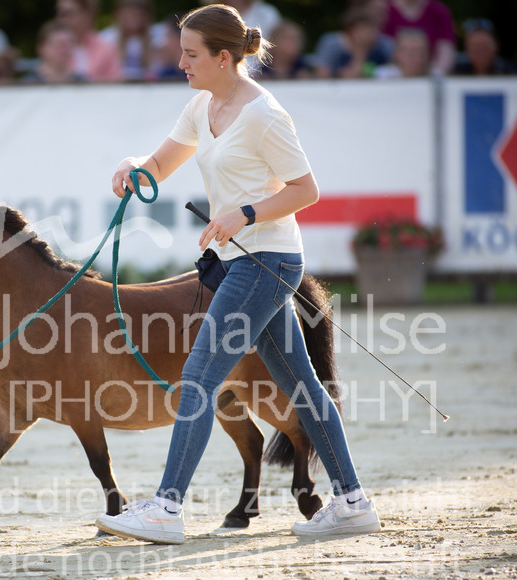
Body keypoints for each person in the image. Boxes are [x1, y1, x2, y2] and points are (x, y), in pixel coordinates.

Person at [96, 4, 381, 544]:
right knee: (301, 386)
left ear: (223, 58)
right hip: (240, 264)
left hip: (268, 262)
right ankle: (353, 501)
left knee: (199, 379)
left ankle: (166, 508)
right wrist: (133, 168)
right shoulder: (202, 105)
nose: (180, 62)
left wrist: (244, 213)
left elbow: (306, 190)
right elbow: (161, 163)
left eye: (190, 54)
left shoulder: (264, 114)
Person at [313, 7, 393, 79]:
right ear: (350, 31)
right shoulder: (331, 43)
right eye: (363, 29)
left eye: (371, 29)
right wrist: (360, 52)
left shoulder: (384, 45)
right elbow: (322, 76)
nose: (369, 34)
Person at [381, 0, 456, 75]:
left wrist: (436, 74)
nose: (414, 58)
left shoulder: (438, 12)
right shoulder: (384, 11)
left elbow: (446, 50)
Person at [56, 0, 122, 83]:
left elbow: (116, 85)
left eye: (69, 14)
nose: (63, 20)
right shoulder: (51, 48)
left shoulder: (106, 49)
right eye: (61, 14)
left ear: (87, 15)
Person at [99, 0, 164, 82]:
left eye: (139, 14)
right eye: (129, 12)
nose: (134, 17)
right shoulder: (106, 38)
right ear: (118, 14)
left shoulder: (157, 38)